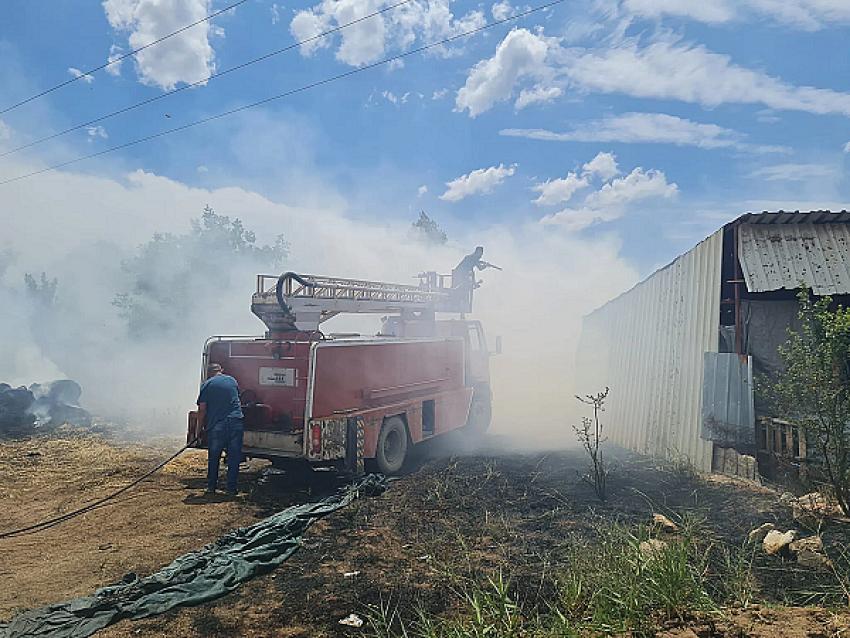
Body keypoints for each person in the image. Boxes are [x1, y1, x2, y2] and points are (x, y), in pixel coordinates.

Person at [197, 363, 244, 495]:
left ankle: (211, 487)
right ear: (221, 370)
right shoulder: (232, 380)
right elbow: (237, 398)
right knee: (234, 457)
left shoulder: (207, 385)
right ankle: (231, 489)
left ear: (208, 372)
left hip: (218, 425)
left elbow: (202, 409)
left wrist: (199, 429)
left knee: (214, 456)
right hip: (236, 422)